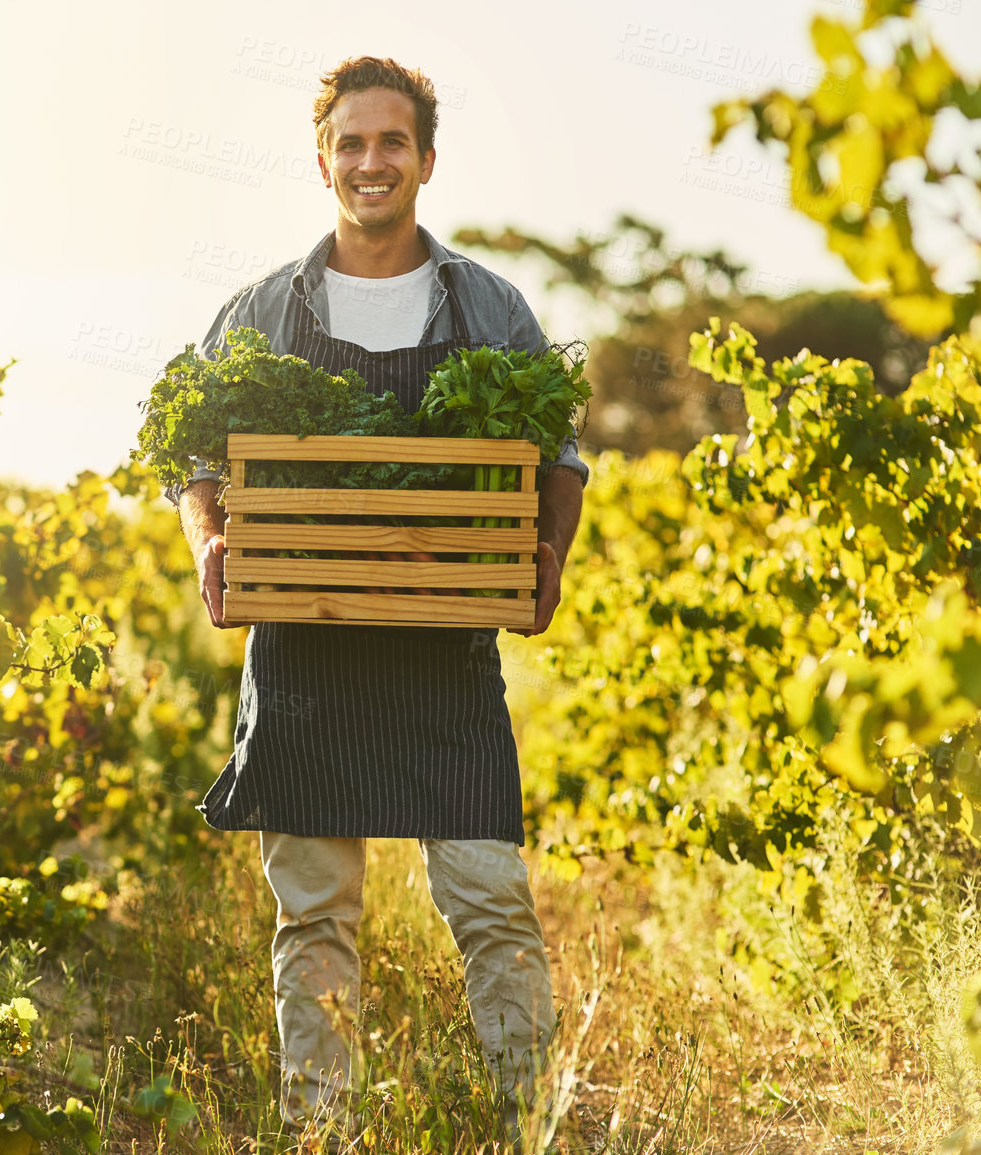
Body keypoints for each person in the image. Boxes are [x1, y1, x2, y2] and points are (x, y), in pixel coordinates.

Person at [165, 56, 589, 1149]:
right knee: (314, 917)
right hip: (305, 658)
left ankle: (527, 1121)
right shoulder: (263, 307)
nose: (370, 162)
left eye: (391, 142)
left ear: (427, 160)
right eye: (351, 143)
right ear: (323, 161)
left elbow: (561, 454)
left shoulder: (488, 305)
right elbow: (191, 455)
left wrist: (546, 555)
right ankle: (322, 1133)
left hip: (446, 655)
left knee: (492, 901)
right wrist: (213, 541)